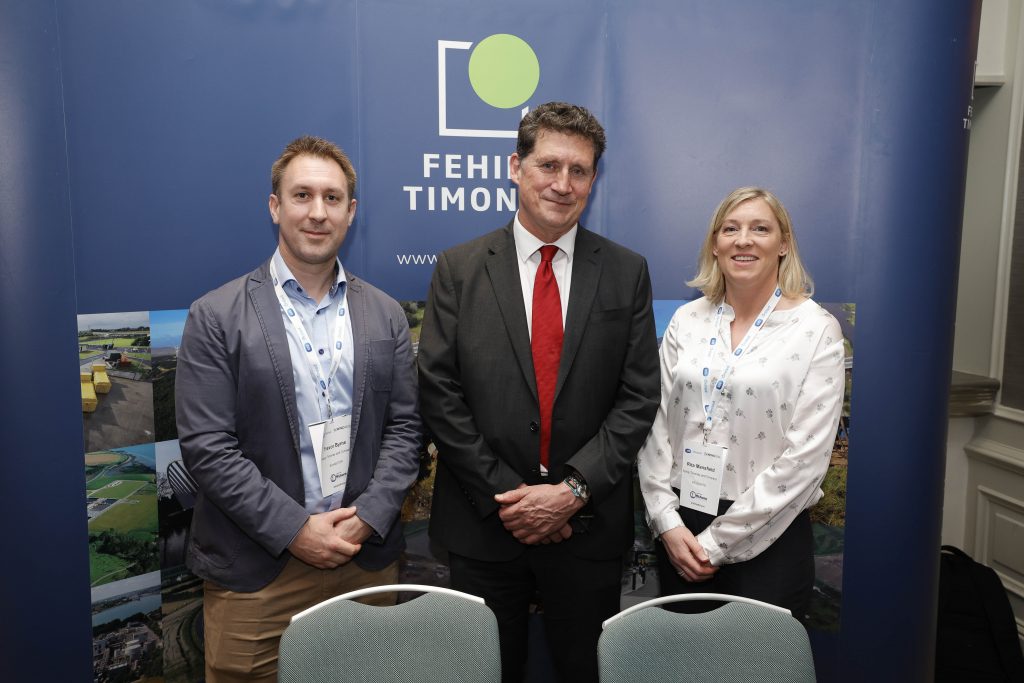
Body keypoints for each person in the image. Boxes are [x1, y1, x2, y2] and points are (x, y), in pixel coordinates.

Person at [417, 102, 660, 682]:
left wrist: (572, 491)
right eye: (548, 164)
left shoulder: (626, 272)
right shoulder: (459, 268)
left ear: (594, 180)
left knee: (585, 672)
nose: (562, 183)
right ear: (514, 167)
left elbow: (638, 397)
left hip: (587, 528)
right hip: (484, 527)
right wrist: (513, 499)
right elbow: (439, 393)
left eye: (579, 170)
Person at [175, 135, 421, 682]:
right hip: (258, 575)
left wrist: (368, 518)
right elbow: (208, 451)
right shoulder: (216, 316)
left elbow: (406, 430)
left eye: (332, 199)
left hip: (366, 563)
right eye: (302, 195)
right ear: (275, 207)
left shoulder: (385, 315)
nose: (317, 212)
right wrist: (295, 530)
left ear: (351, 212)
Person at [637, 186, 845, 621]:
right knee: (683, 665)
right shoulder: (686, 321)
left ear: (783, 243)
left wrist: (715, 545)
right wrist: (667, 521)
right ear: (715, 245)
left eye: (760, 228)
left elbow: (806, 458)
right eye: (730, 228)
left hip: (771, 531)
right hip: (682, 525)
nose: (743, 239)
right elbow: (653, 422)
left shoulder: (816, 329)